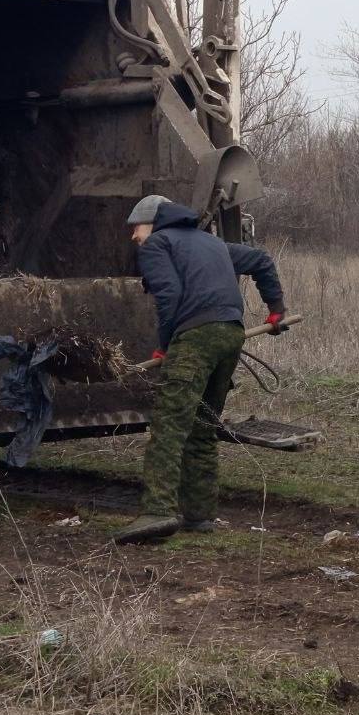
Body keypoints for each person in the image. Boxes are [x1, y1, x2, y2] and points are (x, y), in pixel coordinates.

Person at [113, 195, 288, 544]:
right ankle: (200, 514)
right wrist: (276, 308)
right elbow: (261, 260)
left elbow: (169, 295)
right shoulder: (212, 243)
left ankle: (157, 512)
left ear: (155, 222)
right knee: (202, 426)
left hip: (194, 338)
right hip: (231, 334)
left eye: (137, 227)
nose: (134, 236)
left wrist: (165, 343)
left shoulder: (157, 245)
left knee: (169, 425)